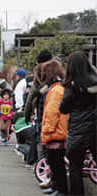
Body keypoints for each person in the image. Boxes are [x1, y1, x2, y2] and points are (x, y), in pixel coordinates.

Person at [59, 52, 97, 196]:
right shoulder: (95, 80)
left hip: (77, 131)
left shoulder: (71, 85)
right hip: (95, 129)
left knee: (75, 167)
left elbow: (63, 108)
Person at [40, 60, 69, 196]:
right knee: (56, 163)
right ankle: (57, 187)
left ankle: (61, 189)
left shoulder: (56, 90)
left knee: (57, 163)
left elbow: (52, 113)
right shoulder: (58, 88)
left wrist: (47, 130)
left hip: (55, 132)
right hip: (59, 130)